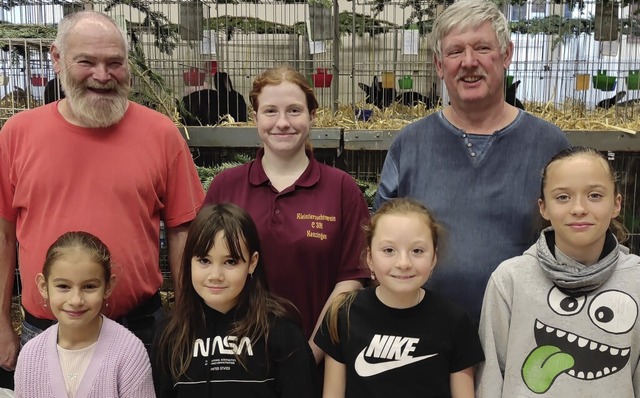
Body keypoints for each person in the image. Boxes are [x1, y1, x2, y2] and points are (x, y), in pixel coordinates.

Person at [0, 10, 205, 373]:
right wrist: (1, 323)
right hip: (45, 330)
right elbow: (3, 237)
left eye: (115, 62)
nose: (102, 75)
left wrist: (188, 318)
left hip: (141, 327)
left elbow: (184, 231)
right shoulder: (17, 135)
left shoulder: (161, 134)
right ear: (57, 59)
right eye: (86, 61)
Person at [373, 0, 570, 321]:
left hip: (522, 329)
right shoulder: (410, 144)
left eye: (482, 48)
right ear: (439, 65)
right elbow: (379, 237)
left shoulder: (549, 144)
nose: (468, 62)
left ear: (507, 54)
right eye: (454, 52)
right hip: (425, 334)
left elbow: (573, 240)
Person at [203, 65, 370, 362]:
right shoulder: (225, 186)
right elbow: (205, 271)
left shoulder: (341, 189)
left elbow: (351, 280)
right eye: (270, 111)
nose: (282, 123)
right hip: (236, 359)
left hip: (317, 358)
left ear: (312, 116)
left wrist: (307, 357)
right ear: (255, 118)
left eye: (294, 110)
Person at [476, 146, 640, 397]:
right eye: (563, 197)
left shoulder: (636, 279)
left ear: (616, 204)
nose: (578, 208)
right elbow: (490, 375)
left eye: (594, 195)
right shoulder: (510, 279)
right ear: (544, 207)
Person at [315, 198, 484, 397]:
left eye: (417, 251)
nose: (403, 263)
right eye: (389, 250)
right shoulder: (343, 314)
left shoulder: (456, 322)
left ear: (433, 258)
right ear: (370, 258)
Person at [151, 203, 319, 397]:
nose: (215, 275)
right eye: (204, 261)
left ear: (252, 262)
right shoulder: (170, 335)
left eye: (230, 262)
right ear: (189, 261)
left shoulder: (281, 330)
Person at [14, 231, 155, 397]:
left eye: (89, 287)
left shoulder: (129, 353)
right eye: (63, 286)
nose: (75, 300)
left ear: (108, 286)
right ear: (44, 286)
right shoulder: (30, 355)